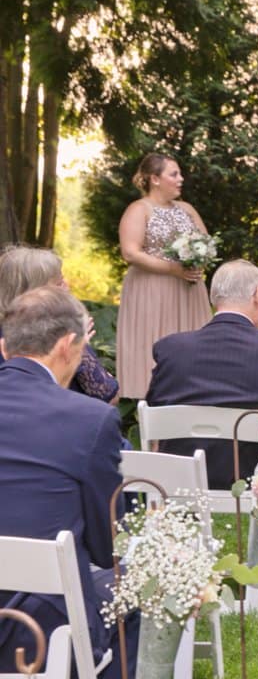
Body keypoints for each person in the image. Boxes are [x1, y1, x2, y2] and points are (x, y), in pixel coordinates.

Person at [145, 259, 258, 573]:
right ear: (257, 295)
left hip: (182, 473)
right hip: (256, 477)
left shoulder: (171, 349)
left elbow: (155, 406)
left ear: (214, 297)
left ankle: (172, 550)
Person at [0, 287, 137, 678]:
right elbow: (106, 543)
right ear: (66, 346)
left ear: (5, 349)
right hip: (36, 630)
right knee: (130, 593)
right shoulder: (89, 420)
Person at [116, 153, 211, 399]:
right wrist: (173, 269)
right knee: (154, 343)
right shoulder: (139, 209)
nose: (181, 179)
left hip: (189, 290)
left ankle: (193, 401)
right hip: (152, 291)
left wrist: (198, 258)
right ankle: (155, 418)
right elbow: (130, 253)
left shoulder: (187, 209)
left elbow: (206, 243)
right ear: (154, 179)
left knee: (194, 345)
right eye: (174, 174)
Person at [0, 245, 118, 403]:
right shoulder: (59, 333)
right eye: (59, 283)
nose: (67, 287)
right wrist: (78, 350)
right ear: (33, 292)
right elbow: (109, 398)